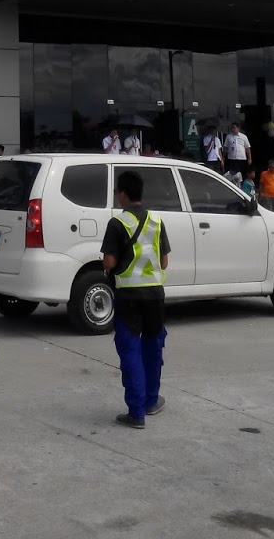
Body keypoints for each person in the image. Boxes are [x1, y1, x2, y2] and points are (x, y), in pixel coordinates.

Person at [101, 169, 171, 429]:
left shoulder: (117, 223)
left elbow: (109, 261)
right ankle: (152, 401)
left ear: (122, 194)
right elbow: (164, 261)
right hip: (155, 294)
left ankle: (136, 413)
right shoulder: (156, 220)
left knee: (130, 350)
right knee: (153, 347)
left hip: (128, 295)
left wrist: (109, 264)